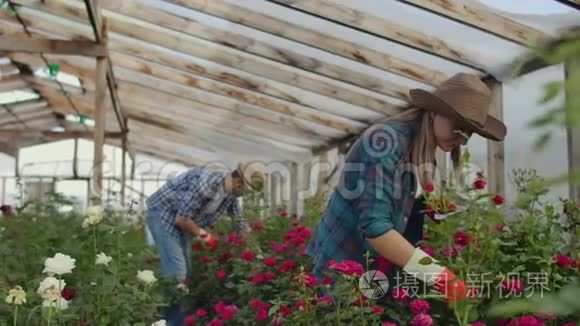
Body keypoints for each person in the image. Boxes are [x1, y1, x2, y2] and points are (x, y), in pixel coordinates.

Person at [306, 73, 507, 303]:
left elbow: (394, 199)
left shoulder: (419, 143)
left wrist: (425, 207)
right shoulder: (385, 141)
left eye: (468, 134)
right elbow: (375, 227)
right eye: (459, 128)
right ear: (434, 112)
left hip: (372, 275)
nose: (461, 140)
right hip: (343, 267)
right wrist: (440, 277)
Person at [146, 162, 263, 325]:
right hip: (163, 213)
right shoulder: (207, 185)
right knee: (177, 272)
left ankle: (166, 317)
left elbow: (239, 221)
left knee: (184, 273)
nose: (243, 194)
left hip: (181, 219)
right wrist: (206, 237)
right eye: (245, 190)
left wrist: (255, 248)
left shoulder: (230, 194)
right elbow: (182, 219)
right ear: (238, 182)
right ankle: (172, 322)